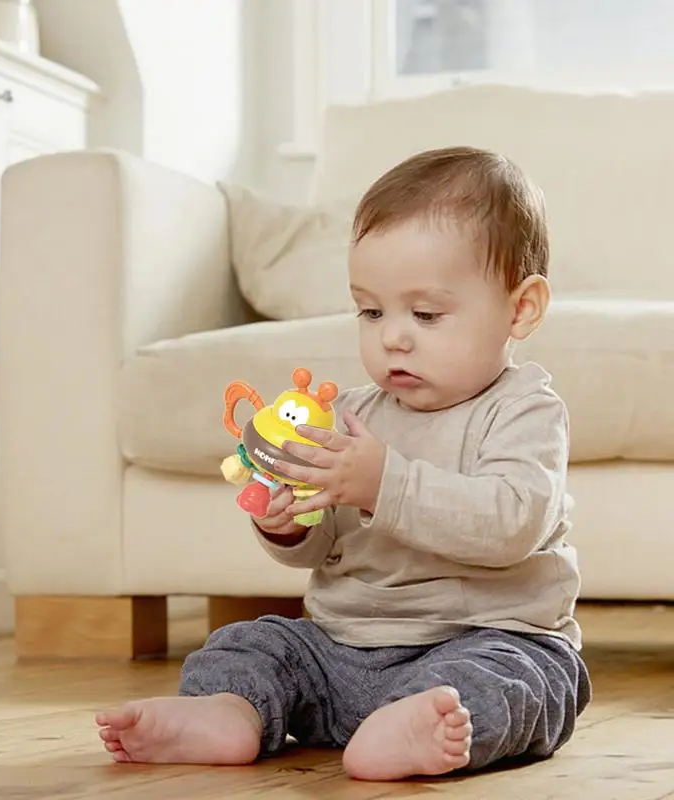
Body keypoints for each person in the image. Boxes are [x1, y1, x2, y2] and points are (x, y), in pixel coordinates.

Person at [95, 146, 592, 781]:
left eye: (426, 313)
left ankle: (419, 724)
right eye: (371, 310)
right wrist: (289, 524)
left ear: (521, 308)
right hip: (343, 648)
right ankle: (230, 711)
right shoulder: (352, 413)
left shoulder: (524, 410)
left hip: (483, 639)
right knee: (256, 642)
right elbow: (327, 549)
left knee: (521, 683)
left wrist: (384, 481)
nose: (392, 336)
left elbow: (511, 525)